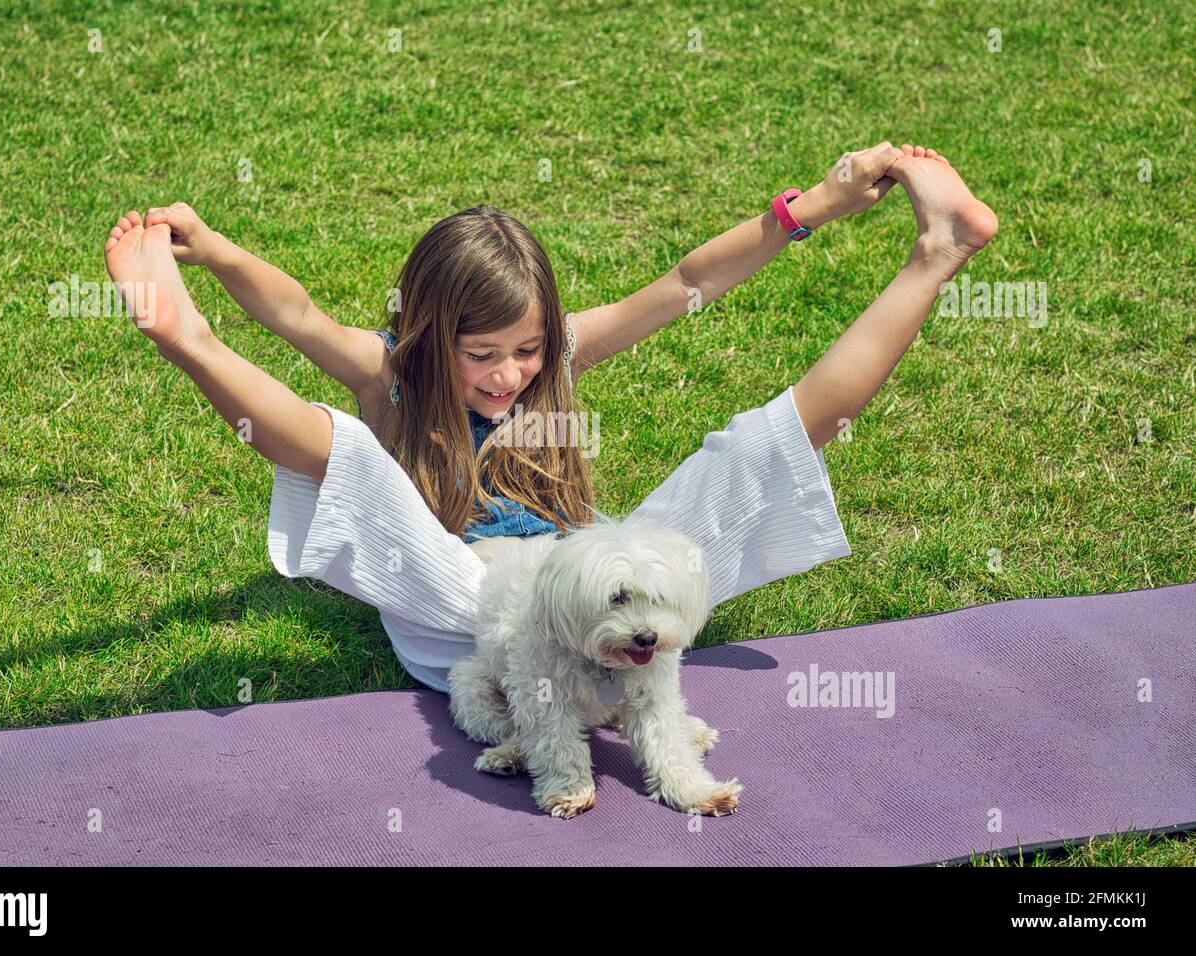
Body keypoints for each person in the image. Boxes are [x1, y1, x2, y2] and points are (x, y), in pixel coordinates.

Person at [102, 143, 997, 692]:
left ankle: (936, 257)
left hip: (582, 599)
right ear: (425, 332)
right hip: (453, 607)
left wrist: (818, 204)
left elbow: (687, 284)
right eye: (480, 353)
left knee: (758, 449)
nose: (510, 375)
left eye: (526, 350)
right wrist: (211, 250)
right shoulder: (393, 376)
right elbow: (296, 315)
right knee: (346, 454)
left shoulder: (554, 364)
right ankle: (188, 339)